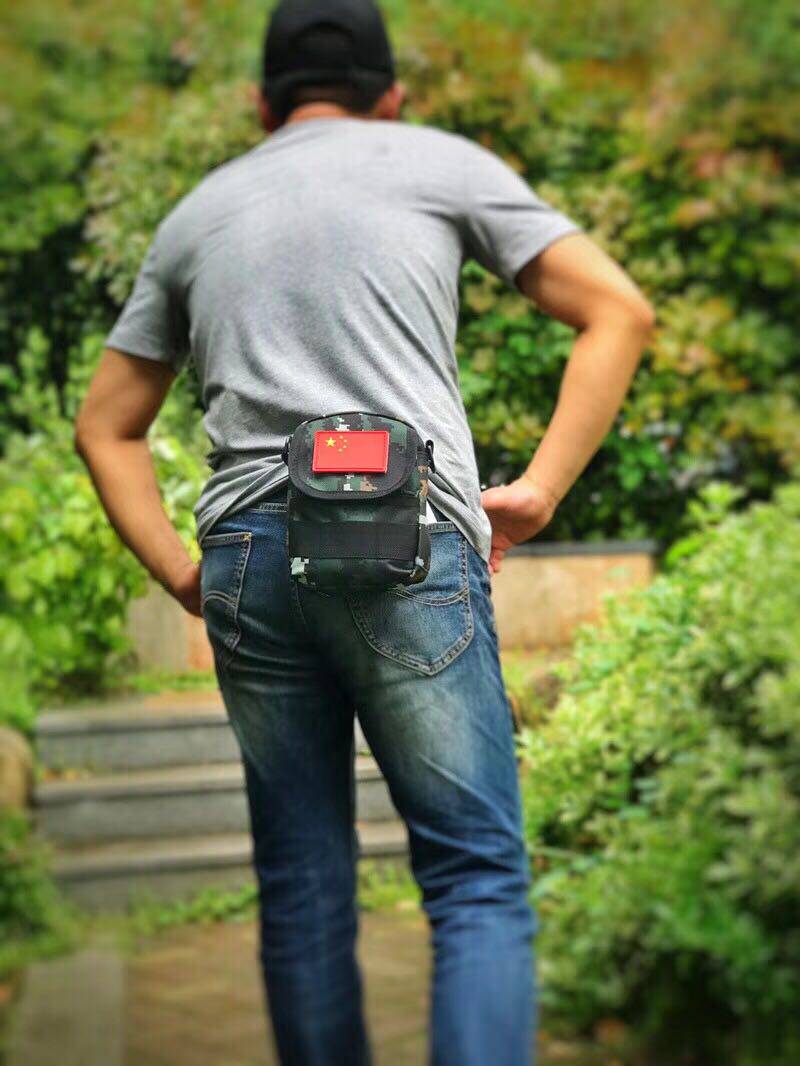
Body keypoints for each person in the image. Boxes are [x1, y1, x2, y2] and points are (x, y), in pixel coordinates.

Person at [75, 1, 655, 1062]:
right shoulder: (440, 162)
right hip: (406, 540)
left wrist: (182, 575)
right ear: (390, 97)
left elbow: (103, 427)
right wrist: (538, 490)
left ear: (262, 106)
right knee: (474, 875)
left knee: (301, 887)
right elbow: (617, 309)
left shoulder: (198, 213)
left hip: (249, 558)